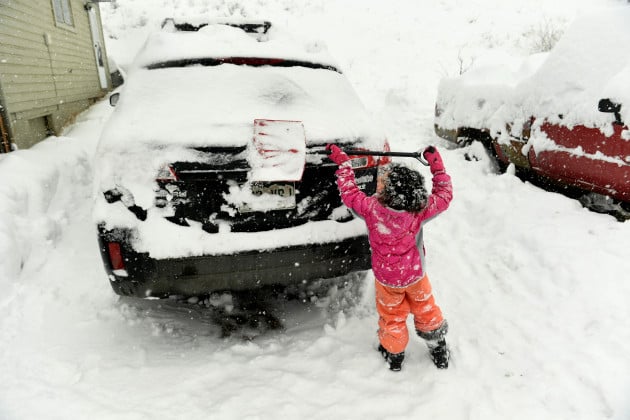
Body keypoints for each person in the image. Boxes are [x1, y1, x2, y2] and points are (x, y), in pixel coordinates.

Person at [326, 144, 453, 371]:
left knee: (392, 316)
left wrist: (344, 164)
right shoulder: (419, 211)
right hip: (415, 277)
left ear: (387, 192)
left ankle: (394, 354)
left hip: (387, 280)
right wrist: (437, 166)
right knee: (425, 307)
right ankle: (438, 347)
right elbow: (444, 196)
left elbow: (350, 193)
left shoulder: (372, 209)